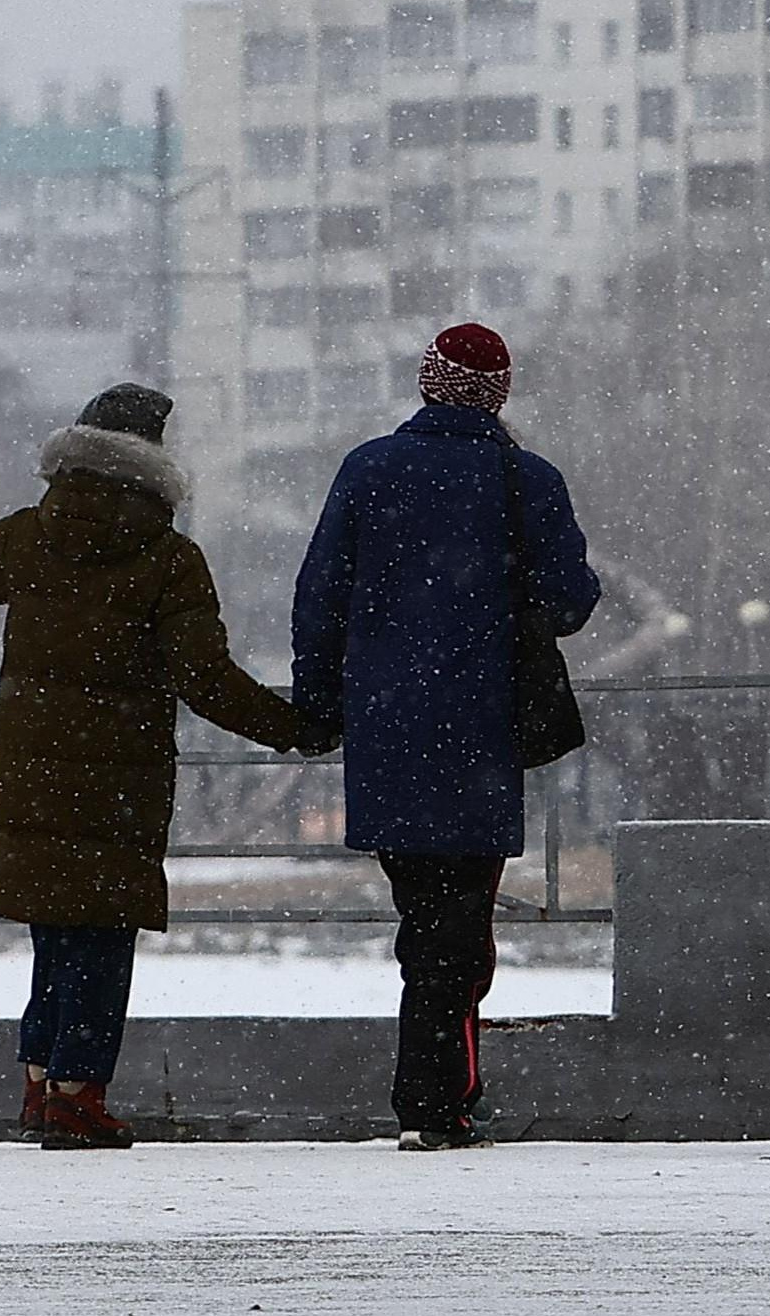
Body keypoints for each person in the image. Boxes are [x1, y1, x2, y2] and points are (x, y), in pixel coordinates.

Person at [0, 382, 325, 1150]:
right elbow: (205, 677)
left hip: (31, 774)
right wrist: (291, 726)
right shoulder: (169, 558)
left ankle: (43, 1081)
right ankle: (78, 1097)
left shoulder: (29, 535)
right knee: (102, 936)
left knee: (54, 932)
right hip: (118, 779)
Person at [292, 322, 600, 1150]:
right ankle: (437, 1101)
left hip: (388, 732)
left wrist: (319, 701)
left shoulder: (368, 469)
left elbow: (319, 594)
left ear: (426, 382)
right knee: (457, 928)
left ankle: (433, 1095)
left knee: (425, 919)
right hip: (481, 733)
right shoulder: (525, 479)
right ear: (499, 395)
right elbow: (572, 601)